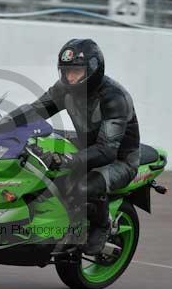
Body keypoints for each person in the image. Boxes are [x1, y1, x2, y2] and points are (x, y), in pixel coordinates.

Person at [23, 39, 140, 255]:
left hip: (120, 159)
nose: (70, 77)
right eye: (66, 71)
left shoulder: (114, 97)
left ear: (94, 68)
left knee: (83, 186)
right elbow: (34, 111)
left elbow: (106, 150)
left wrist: (69, 160)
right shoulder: (63, 89)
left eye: (76, 70)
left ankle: (101, 225)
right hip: (86, 145)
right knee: (35, 156)